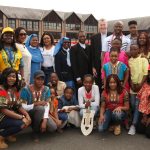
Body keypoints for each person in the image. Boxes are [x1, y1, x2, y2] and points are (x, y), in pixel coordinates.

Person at [20, 70, 57, 142]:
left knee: (53, 127)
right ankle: (35, 131)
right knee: (40, 108)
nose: (40, 81)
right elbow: (23, 106)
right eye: (38, 79)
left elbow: (47, 105)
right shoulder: (26, 90)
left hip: (42, 113)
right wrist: (35, 104)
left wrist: (45, 120)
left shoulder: (46, 89)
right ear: (34, 79)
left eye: (42, 79)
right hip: (28, 113)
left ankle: (39, 124)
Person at [0, 68, 31, 148]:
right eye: (9, 76)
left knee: (27, 120)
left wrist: (27, 115)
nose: (12, 78)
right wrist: (22, 117)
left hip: (7, 115)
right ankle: (1, 137)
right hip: (1, 116)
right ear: (4, 77)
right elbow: (3, 110)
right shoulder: (1, 90)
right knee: (22, 123)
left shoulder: (14, 90)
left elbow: (18, 105)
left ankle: (8, 134)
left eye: (14, 76)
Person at [128, 44, 149, 135]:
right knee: (132, 104)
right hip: (133, 87)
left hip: (141, 86)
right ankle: (135, 119)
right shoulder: (129, 60)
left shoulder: (143, 59)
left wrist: (140, 85)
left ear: (139, 50)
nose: (133, 51)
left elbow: (145, 73)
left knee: (137, 105)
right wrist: (132, 84)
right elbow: (129, 74)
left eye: (135, 49)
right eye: (131, 49)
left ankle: (133, 125)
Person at [90, 19, 109, 89]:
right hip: (97, 66)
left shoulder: (112, 36)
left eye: (104, 25)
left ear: (107, 25)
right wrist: (93, 67)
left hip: (109, 63)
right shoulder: (93, 37)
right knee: (98, 84)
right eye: (101, 25)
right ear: (98, 26)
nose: (102, 26)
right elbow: (92, 53)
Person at [136, 65, 150, 138]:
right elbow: (139, 98)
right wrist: (144, 116)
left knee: (148, 134)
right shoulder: (145, 85)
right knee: (139, 129)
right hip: (144, 113)